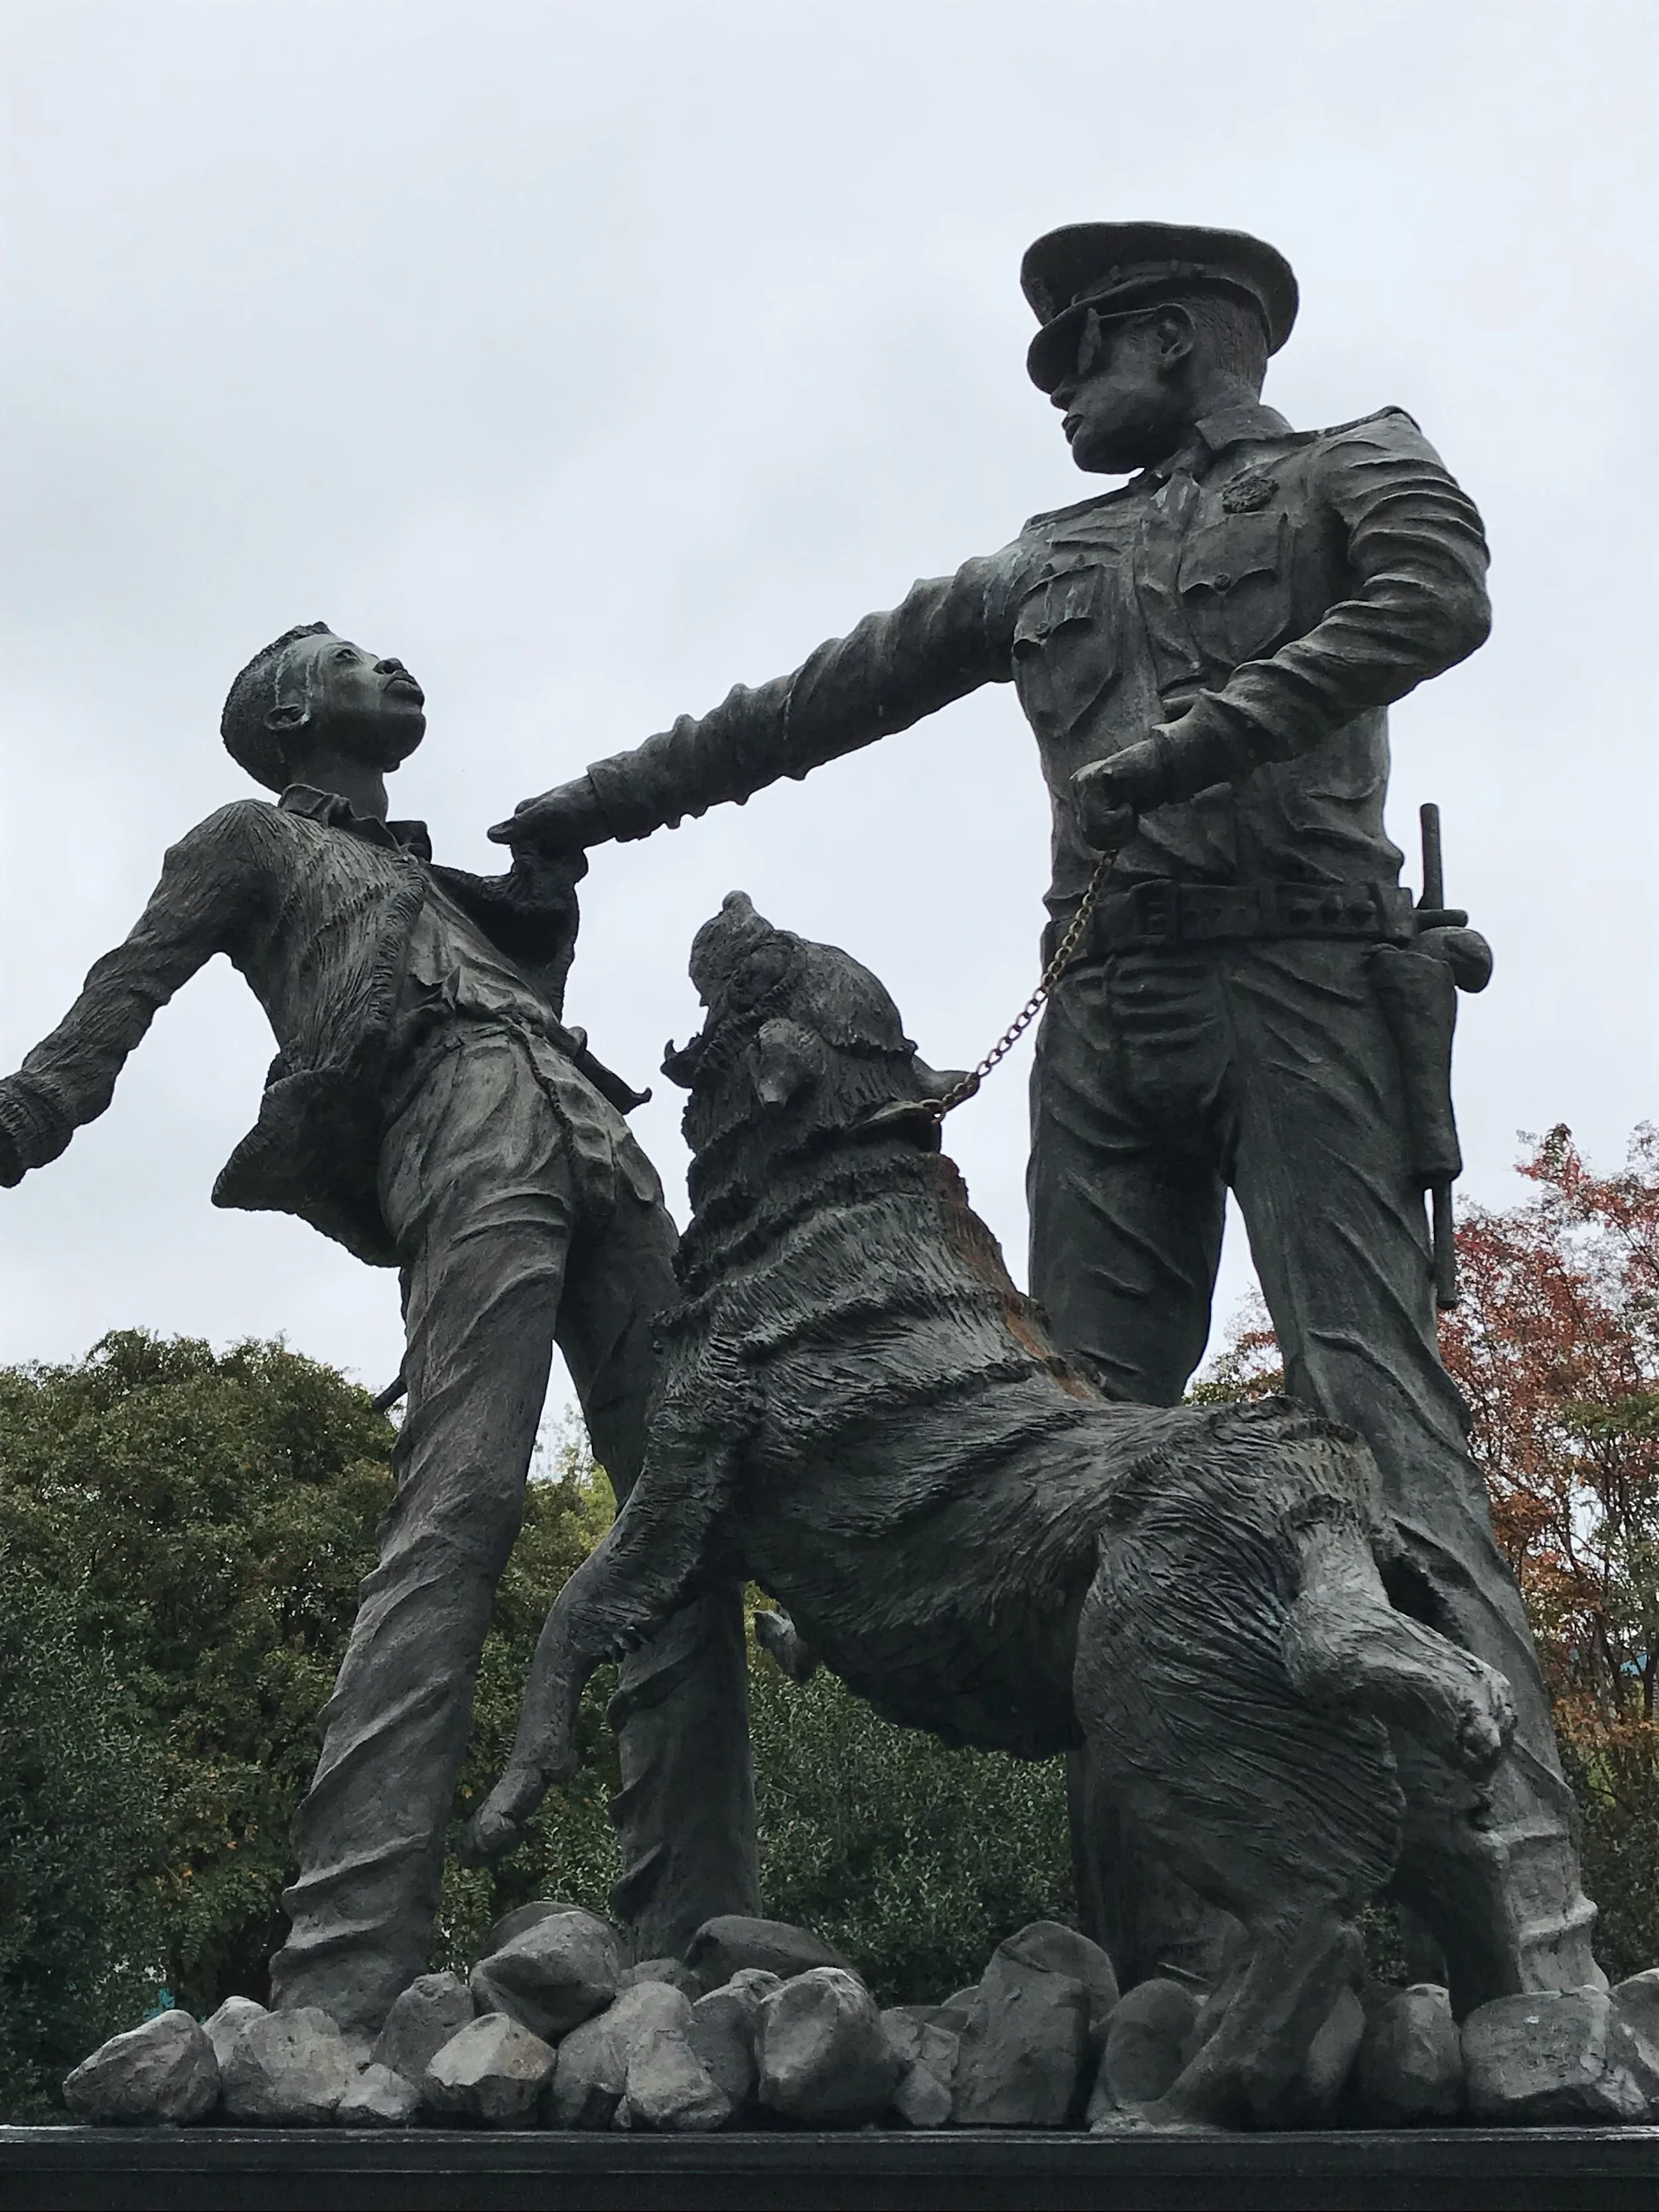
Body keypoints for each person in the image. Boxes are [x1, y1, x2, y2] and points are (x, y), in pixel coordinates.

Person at [493, 222, 1597, 2006]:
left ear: (1173, 335)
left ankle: (1533, 1970)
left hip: (1301, 982)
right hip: (1099, 1018)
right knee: (1081, 1495)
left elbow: (1438, 601)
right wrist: (600, 801)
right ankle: (1160, 1969)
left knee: (1379, 1427)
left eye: (1081, 357)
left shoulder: (1350, 461)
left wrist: (1208, 734)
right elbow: (808, 700)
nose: (1063, 394)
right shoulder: (1045, 561)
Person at [0, 623, 758, 2036]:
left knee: (686, 1518)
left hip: (594, 1130)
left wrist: (544, 910)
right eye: (350, 657)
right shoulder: (247, 840)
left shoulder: (443, 879)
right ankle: (344, 1968)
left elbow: (520, 998)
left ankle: (700, 1938)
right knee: (460, 1502)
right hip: (459, 1122)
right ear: (289, 710)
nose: (392, 666)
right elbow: (132, 978)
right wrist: (37, 1109)